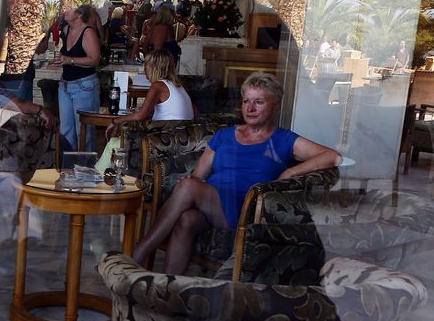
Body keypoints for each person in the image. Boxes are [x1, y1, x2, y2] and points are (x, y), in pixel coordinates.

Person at [130, 72, 341, 274]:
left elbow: (333, 156)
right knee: (187, 219)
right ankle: (168, 288)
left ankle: (139, 253)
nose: (250, 108)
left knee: (187, 186)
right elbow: (198, 176)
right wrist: (191, 187)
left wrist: (292, 170)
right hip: (212, 202)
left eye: (259, 102)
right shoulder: (225, 135)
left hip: (246, 208)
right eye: (246, 101)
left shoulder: (284, 139)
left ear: (274, 105)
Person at [104, 49, 195, 139]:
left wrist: (115, 121)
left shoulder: (158, 86)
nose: (144, 68)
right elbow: (194, 111)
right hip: (185, 136)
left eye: (146, 64)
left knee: (123, 129)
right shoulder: (178, 85)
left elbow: (141, 116)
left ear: (154, 67)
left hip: (168, 135)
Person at [52, 3, 102, 151]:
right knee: (66, 131)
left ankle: (86, 169)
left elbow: (94, 59)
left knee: (84, 133)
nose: (64, 11)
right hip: (66, 84)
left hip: (84, 85)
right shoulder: (67, 30)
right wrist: (61, 59)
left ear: (79, 14)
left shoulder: (88, 32)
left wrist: (70, 60)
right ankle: (69, 168)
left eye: (69, 8)